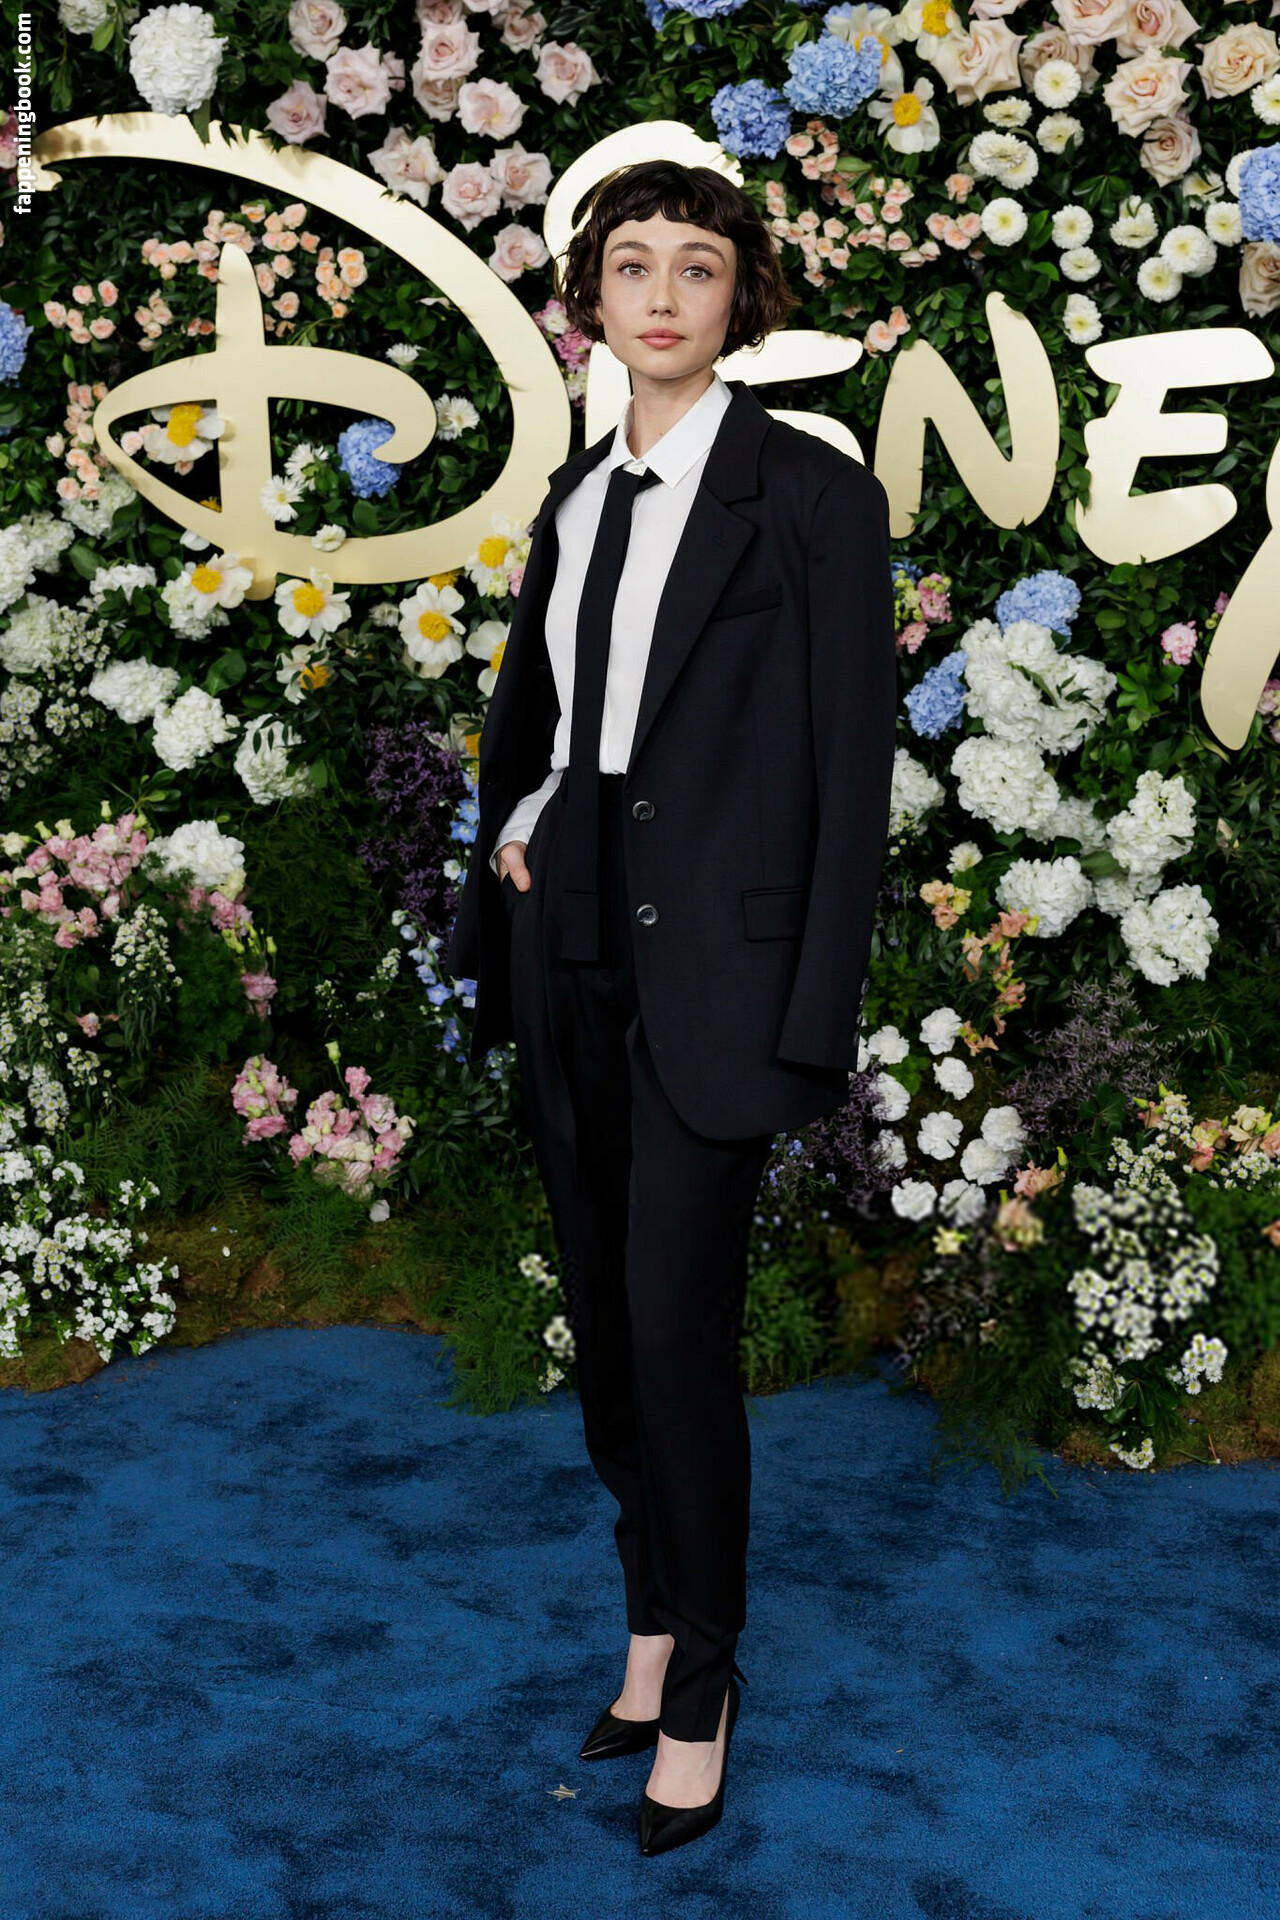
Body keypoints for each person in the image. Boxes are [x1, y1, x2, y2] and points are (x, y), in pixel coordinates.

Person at [443, 156, 897, 1855]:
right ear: (591, 301)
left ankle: (705, 1678)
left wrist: (813, 1011)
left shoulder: (812, 496)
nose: (660, 294)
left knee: (675, 1328)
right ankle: (647, 1623)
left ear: (739, 297)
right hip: (565, 939)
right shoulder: (578, 495)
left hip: (720, 971)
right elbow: (567, 718)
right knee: (605, 1327)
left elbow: (850, 771)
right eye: (630, 264)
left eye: (694, 266)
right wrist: (526, 822)